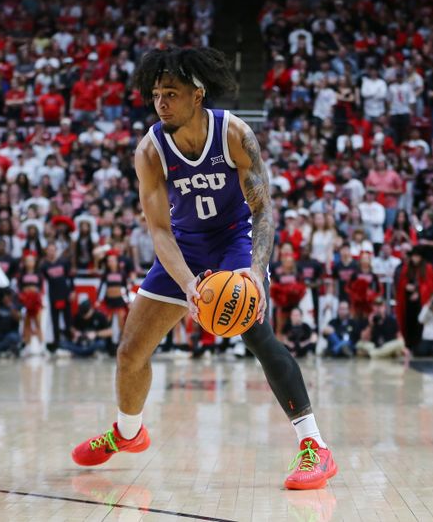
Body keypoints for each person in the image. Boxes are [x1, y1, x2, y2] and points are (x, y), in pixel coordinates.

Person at [70, 47, 337, 490]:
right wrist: (190, 285)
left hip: (234, 240)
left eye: (171, 93)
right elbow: (159, 231)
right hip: (185, 248)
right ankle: (128, 433)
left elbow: (263, 210)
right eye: (156, 94)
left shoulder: (233, 133)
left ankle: (315, 446)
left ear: (198, 95)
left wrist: (255, 270)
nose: (161, 103)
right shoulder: (150, 150)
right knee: (130, 351)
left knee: (255, 332)